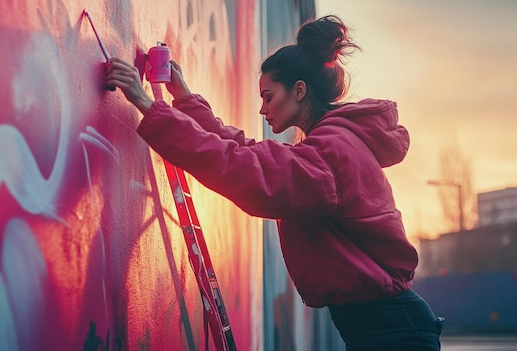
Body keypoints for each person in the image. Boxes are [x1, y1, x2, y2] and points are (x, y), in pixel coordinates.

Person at [106, 15, 443, 351]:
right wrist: (185, 101)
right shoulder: (332, 143)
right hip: (388, 326)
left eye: (268, 96)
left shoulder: (331, 154)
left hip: (393, 332)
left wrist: (149, 107)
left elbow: (245, 170)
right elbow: (249, 152)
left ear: (299, 90)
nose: (262, 109)